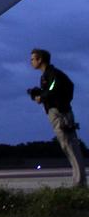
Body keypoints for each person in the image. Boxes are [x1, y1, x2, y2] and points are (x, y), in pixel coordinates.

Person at [29, 48, 87, 188]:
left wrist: (43, 97)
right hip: (57, 112)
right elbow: (52, 89)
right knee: (67, 146)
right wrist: (39, 93)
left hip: (60, 113)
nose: (31, 62)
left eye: (32, 59)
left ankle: (79, 183)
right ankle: (79, 181)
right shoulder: (46, 76)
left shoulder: (53, 74)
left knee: (70, 146)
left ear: (40, 59)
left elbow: (54, 88)